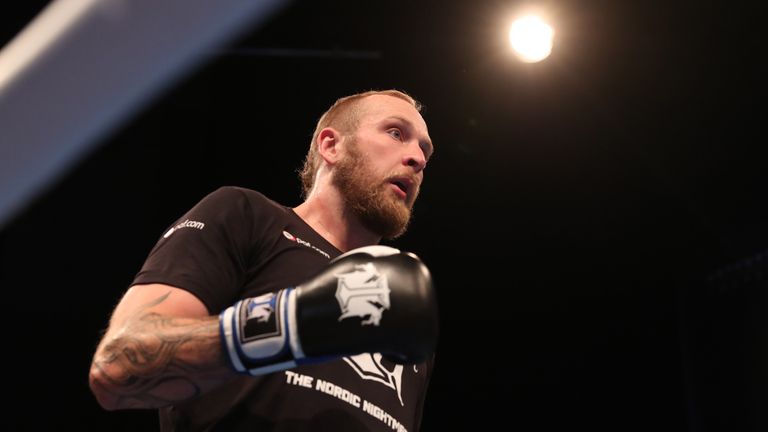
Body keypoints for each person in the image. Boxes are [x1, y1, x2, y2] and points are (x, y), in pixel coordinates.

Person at [88, 89, 438, 432]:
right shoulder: (248, 217)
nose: (418, 159)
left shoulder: (402, 310)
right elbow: (119, 363)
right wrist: (292, 326)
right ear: (331, 145)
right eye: (395, 133)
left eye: (425, 151)